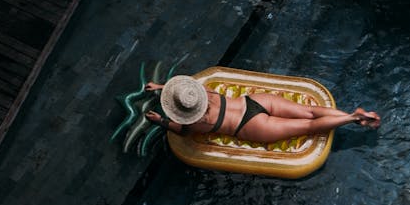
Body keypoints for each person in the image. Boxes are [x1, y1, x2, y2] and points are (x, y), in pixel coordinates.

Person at [144, 75, 380, 144]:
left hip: (249, 127)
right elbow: (184, 90)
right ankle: (353, 114)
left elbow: (182, 132)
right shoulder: (203, 90)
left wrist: (160, 121)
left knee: (309, 126)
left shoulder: (192, 123)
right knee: (309, 112)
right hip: (253, 102)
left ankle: (351, 118)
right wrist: (160, 86)